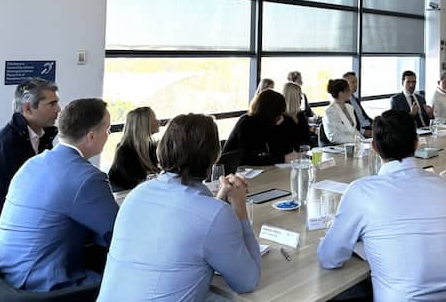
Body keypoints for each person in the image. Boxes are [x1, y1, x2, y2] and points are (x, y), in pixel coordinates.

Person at [96, 114, 261, 302]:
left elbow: (187, 221)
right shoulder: (214, 214)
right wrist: (240, 209)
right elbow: (248, 281)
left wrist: (219, 200)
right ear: (214, 155)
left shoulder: (137, 194)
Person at [318, 110, 446, 302]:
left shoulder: (362, 191)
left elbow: (330, 258)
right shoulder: (443, 185)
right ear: (416, 143)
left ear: (374, 148)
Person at [0, 98, 118, 292]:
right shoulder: (87, 178)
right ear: (91, 136)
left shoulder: (33, 163)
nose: (107, 136)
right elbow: (118, 234)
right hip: (34, 284)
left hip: (0, 275)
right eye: (107, 130)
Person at [0, 78, 60, 234]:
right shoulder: (2, 147)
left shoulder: (43, 138)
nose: (58, 109)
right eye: (52, 104)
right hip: (0, 232)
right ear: (28, 108)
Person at [224, 90, 299, 165]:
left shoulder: (268, 123)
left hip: (257, 170)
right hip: (232, 170)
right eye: (279, 113)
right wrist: (282, 159)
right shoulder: (247, 123)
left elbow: (279, 149)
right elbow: (248, 158)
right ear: (271, 112)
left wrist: (279, 127)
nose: (281, 116)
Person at [107, 106, 160, 190]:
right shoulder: (125, 150)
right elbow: (133, 181)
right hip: (122, 193)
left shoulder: (152, 146)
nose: (158, 121)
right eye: (154, 120)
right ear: (143, 125)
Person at [322, 79, 359, 144]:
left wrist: (364, 141)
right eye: (348, 90)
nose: (350, 92)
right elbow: (334, 137)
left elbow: (354, 130)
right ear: (340, 93)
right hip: (340, 147)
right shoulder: (329, 111)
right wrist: (355, 140)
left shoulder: (349, 107)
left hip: (355, 143)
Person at [282, 81, 315, 147]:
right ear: (292, 97)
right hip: (291, 155)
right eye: (299, 95)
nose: (301, 98)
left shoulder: (300, 115)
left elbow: (307, 138)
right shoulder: (281, 118)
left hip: (306, 152)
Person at [343, 71, 372, 136]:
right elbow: (350, 125)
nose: (356, 85)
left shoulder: (355, 99)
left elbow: (365, 117)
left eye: (356, 82)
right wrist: (365, 132)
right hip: (361, 131)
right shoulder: (343, 102)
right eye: (353, 82)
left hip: (368, 126)